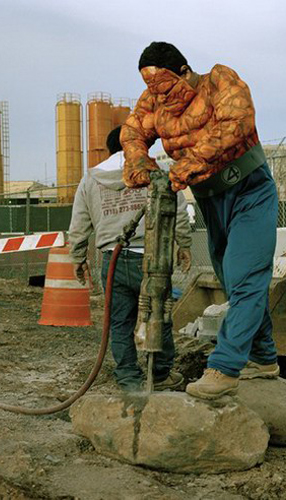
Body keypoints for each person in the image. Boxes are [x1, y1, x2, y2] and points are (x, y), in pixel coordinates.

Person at [121, 42, 279, 400]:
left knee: (244, 275)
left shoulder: (218, 81)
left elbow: (237, 123)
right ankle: (265, 357)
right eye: (152, 90)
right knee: (233, 279)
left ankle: (224, 367)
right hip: (210, 201)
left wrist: (188, 165)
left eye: (165, 86)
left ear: (184, 71)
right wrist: (137, 161)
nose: (160, 97)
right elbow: (131, 132)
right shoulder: (152, 102)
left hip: (249, 192)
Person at [69, 126, 192, 392]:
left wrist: (78, 257)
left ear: (108, 148)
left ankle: (128, 378)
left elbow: (79, 223)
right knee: (159, 315)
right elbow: (177, 209)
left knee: (120, 322)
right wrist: (184, 244)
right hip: (152, 259)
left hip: (111, 262)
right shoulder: (155, 172)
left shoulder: (91, 179)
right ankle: (159, 374)